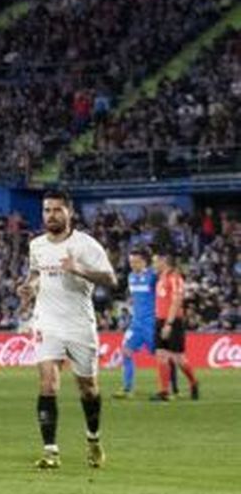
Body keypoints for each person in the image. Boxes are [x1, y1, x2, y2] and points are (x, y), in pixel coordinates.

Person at [18, 191, 114, 470]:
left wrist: (79, 269)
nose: (51, 215)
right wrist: (28, 288)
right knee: (48, 383)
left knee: (88, 388)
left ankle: (93, 440)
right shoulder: (36, 245)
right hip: (47, 323)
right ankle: (51, 452)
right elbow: (36, 275)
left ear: (69, 212)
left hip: (80, 325)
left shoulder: (86, 245)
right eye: (47, 210)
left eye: (57, 210)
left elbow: (110, 279)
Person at [152, 251, 199, 401]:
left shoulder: (175, 278)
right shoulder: (161, 278)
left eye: (155, 261)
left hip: (173, 322)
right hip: (160, 320)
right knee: (161, 354)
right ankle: (164, 391)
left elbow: (176, 301)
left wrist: (169, 324)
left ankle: (194, 382)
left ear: (163, 261)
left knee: (178, 358)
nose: (154, 264)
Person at [116, 248, 155, 399]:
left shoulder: (153, 276)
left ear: (144, 261)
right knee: (126, 351)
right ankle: (127, 388)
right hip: (136, 324)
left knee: (161, 356)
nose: (132, 264)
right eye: (131, 261)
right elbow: (136, 299)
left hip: (151, 323)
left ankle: (172, 387)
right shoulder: (131, 277)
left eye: (136, 261)